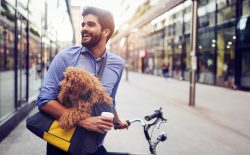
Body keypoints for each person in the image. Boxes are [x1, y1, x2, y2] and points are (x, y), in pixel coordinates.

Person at [37, 6, 129, 155]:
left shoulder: (117, 64)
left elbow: (109, 100)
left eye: (91, 24)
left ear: (106, 31)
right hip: (62, 143)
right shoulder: (65, 57)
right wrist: (83, 121)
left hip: (93, 145)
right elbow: (44, 100)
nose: (84, 28)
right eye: (83, 24)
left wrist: (117, 121)